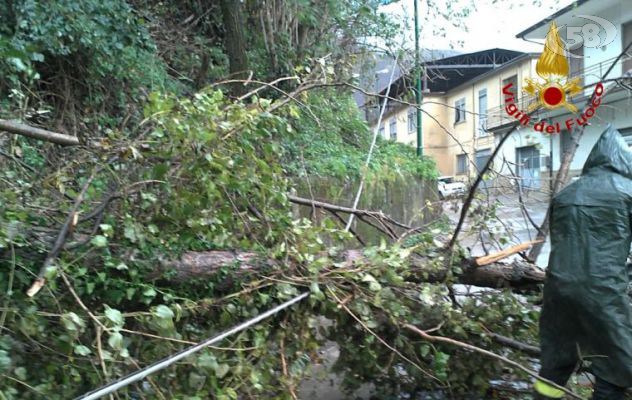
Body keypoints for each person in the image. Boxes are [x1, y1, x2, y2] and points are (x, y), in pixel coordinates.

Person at [534, 126, 632, 400]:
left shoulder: (566, 194)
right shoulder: (627, 192)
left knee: (555, 364)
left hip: (558, 290)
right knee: (615, 366)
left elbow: (561, 243)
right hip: (603, 294)